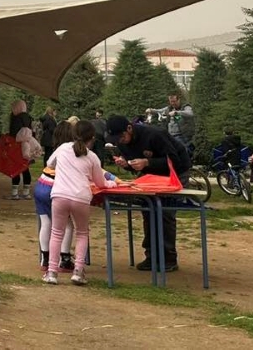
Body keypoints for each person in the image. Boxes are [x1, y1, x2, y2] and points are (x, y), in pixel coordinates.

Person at [105, 114, 190, 271]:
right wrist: (126, 164)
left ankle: (168, 259)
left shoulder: (155, 135)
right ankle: (151, 256)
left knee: (165, 212)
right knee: (148, 211)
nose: (120, 141)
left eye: (121, 137)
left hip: (176, 173)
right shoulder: (122, 143)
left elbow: (174, 160)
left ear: (129, 128)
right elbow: (134, 164)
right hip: (151, 176)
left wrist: (148, 162)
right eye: (116, 139)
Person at [44, 120, 119, 285]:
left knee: (56, 233)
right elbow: (100, 182)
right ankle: (78, 271)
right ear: (92, 138)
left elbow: (49, 164)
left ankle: (51, 272)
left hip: (60, 195)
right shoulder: (92, 157)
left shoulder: (63, 148)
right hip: (81, 197)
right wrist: (111, 183)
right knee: (82, 233)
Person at [35, 120, 77, 273]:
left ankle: (45, 258)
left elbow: (49, 163)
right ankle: (64, 258)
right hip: (55, 188)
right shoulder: (72, 149)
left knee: (46, 223)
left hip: (41, 184)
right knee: (67, 225)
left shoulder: (57, 149)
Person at [7, 100, 35, 200]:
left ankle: (14, 193)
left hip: (16, 146)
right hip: (27, 146)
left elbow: (13, 133)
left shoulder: (16, 118)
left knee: (16, 169)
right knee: (25, 168)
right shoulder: (29, 118)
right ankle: (26, 193)